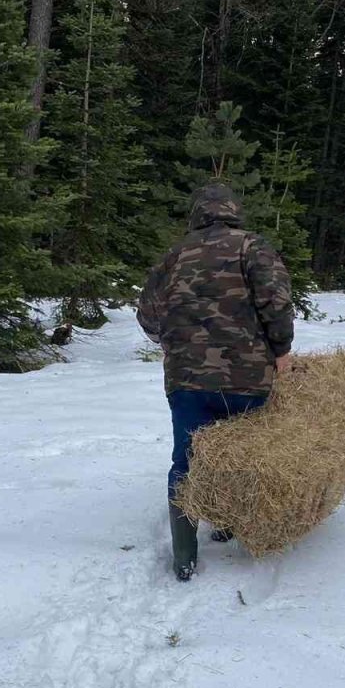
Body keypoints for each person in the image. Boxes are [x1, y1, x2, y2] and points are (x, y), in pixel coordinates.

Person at [137, 183, 295, 582]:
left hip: (187, 380)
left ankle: (184, 556)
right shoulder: (253, 247)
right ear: (233, 211)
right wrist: (281, 350)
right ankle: (230, 525)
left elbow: (147, 315)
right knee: (244, 455)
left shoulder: (174, 255)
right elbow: (276, 302)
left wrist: (172, 342)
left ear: (197, 214)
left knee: (186, 460)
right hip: (249, 378)